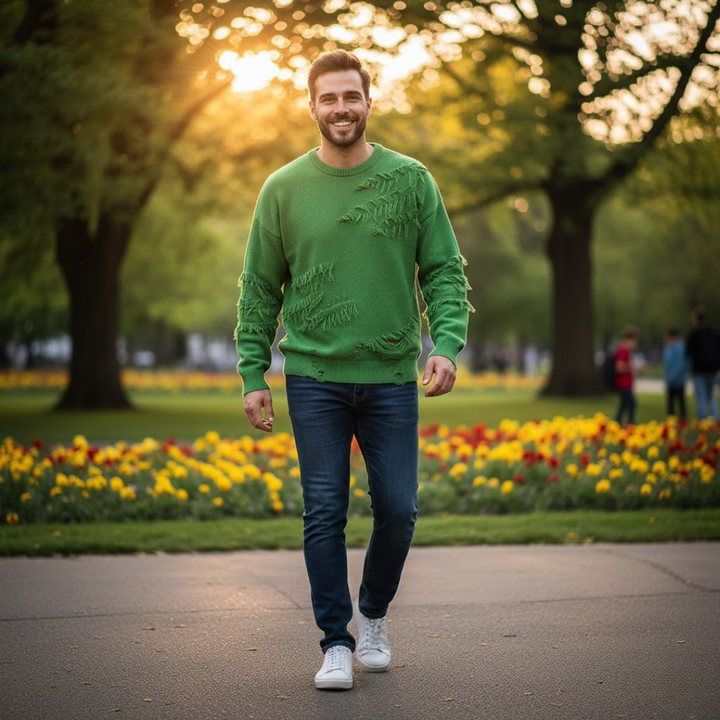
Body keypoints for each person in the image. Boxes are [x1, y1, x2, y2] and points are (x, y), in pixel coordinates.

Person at [234, 51, 472, 691]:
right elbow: (259, 287)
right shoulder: (283, 188)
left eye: (351, 97)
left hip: (393, 374)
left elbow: (445, 271)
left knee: (398, 508)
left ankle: (372, 615)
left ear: (369, 102)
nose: (341, 108)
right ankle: (335, 642)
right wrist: (254, 373)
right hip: (313, 374)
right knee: (324, 511)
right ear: (311, 107)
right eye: (328, 98)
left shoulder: (411, 180)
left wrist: (446, 343)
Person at [686, 306, 720, 420]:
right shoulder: (713, 333)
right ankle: (715, 422)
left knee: (700, 397)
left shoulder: (694, 334)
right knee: (710, 397)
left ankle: (702, 423)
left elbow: (688, 353)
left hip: (699, 370)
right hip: (712, 369)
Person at [614, 326, 639, 425]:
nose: (636, 344)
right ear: (630, 340)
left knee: (624, 405)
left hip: (626, 383)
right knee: (632, 404)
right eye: (635, 341)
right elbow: (619, 367)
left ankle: (618, 423)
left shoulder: (625, 350)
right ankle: (629, 423)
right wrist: (632, 368)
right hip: (623, 383)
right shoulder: (624, 350)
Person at [663, 327, 687, 419]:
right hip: (671, 380)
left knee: (680, 403)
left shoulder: (680, 348)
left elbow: (681, 365)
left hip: (678, 380)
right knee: (671, 404)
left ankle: (682, 421)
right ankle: (671, 421)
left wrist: (671, 377)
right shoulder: (669, 348)